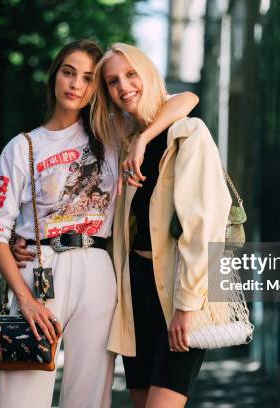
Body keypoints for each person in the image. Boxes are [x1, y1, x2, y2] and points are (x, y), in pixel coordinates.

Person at [0, 38, 198, 408]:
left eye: (87, 78)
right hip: (39, 270)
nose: (75, 85)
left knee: (88, 398)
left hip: (98, 269)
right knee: (20, 398)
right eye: (68, 73)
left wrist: (143, 138)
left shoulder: (112, 133)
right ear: (55, 77)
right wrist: (24, 298)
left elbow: (187, 100)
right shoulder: (23, 147)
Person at [90, 43, 231, 408]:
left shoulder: (187, 134)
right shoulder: (120, 147)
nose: (123, 86)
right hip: (133, 293)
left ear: (149, 75)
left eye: (131, 74)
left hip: (178, 288)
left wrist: (186, 305)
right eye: (112, 81)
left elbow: (205, 225)